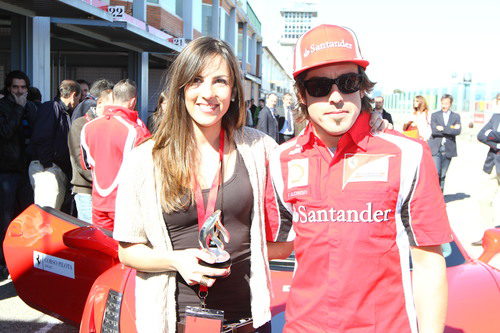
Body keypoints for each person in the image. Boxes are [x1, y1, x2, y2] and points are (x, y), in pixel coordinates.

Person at [266, 24, 452, 333]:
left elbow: (429, 263)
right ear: (301, 93)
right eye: (320, 87)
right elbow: (277, 246)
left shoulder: (409, 154)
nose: (336, 97)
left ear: (362, 87)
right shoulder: (280, 160)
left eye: (348, 82)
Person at [80, 79, 150, 231]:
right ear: (133, 101)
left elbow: (85, 164)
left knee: (101, 251)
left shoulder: (88, 127)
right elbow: (148, 171)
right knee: (126, 253)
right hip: (126, 206)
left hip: (98, 203)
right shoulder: (137, 129)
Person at [0, 70, 37, 280]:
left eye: (23, 87)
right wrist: (17, 108)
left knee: (25, 218)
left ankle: (21, 259)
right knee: (5, 219)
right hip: (6, 171)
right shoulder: (5, 107)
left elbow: (36, 131)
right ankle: (4, 261)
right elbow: (6, 132)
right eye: (15, 87)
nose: (19, 91)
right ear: (8, 87)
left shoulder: (29, 106)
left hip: (25, 170)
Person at [29, 80, 81, 210]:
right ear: (74, 94)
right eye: (80, 98)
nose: (79, 102)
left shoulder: (63, 111)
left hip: (52, 168)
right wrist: (47, 164)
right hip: (47, 169)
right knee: (46, 217)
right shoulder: (51, 107)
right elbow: (42, 136)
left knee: (50, 216)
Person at [68, 79, 114, 223]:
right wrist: (105, 181)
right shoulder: (80, 124)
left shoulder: (112, 124)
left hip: (106, 190)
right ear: (100, 102)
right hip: (86, 190)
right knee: (90, 234)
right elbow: (79, 160)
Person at [472, 105, 500, 245]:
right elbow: (480, 135)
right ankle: (489, 236)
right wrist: (497, 145)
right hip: (492, 165)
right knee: (484, 200)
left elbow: (489, 135)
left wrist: (493, 134)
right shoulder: (496, 117)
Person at [428, 94, 461, 191]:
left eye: (446, 103)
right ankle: (434, 194)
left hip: (448, 148)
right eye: (442, 103)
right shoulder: (435, 115)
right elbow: (434, 131)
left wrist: (442, 128)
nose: (444, 105)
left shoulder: (455, 116)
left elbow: (458, 131)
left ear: (450, 104)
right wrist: (450, 128)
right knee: (436, 172)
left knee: (442, 174)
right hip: (436, 147)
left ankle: (440, 194)